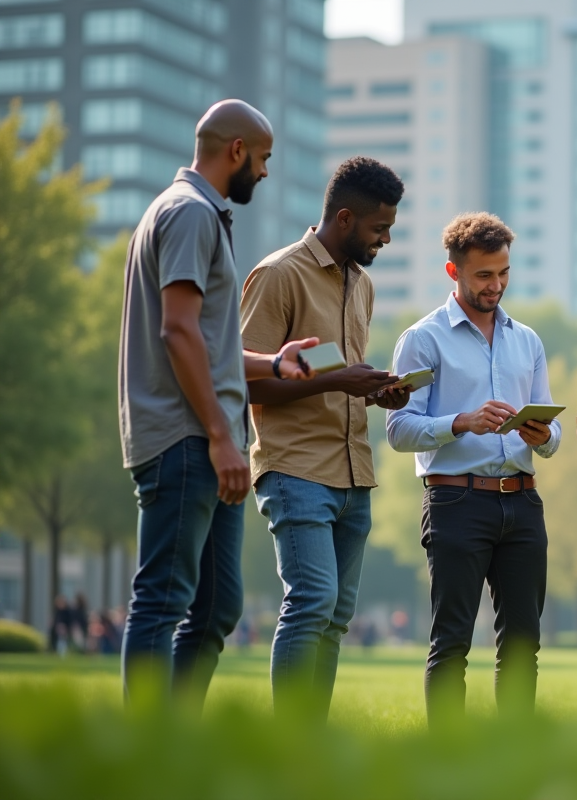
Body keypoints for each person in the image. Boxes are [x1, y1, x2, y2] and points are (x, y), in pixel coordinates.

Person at [119, 100, 318, 709]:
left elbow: (208, 338)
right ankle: (146, 751)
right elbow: (177, 332)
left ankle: (173, 736)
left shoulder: (190, 212)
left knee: (217, 603)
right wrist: (220, 435)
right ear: (236, 150)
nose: (264, 172)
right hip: (187, 438)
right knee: (165, 598)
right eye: (262, 160)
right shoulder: (188, 214)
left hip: (204, 436)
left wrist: (273, 363)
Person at [240, 157, 408, 722]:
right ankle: (289, 744)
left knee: (336, 616)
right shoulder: (279, 274)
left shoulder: (362, 285)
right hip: (295, 469)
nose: (386, 239)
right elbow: (246, 380)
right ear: (344, 218)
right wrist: (340, 379)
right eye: (379, 229)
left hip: (353, 472)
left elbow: (337, 375)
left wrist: (375, 391)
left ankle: (311, 741)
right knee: (311, 603)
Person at [387, 212, 561, 729]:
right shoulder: (422, 339)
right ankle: (449, 758)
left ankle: (512, 757)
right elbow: (399, 429)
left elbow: (552, 438)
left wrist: (541, 434)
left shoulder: (527, 341)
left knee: (523, 644)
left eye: (504, 272)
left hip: (523, 502)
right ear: (453, 271)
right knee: (452, 641)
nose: (497, 285)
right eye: (484, 275)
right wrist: (460, 422)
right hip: (455, 503)